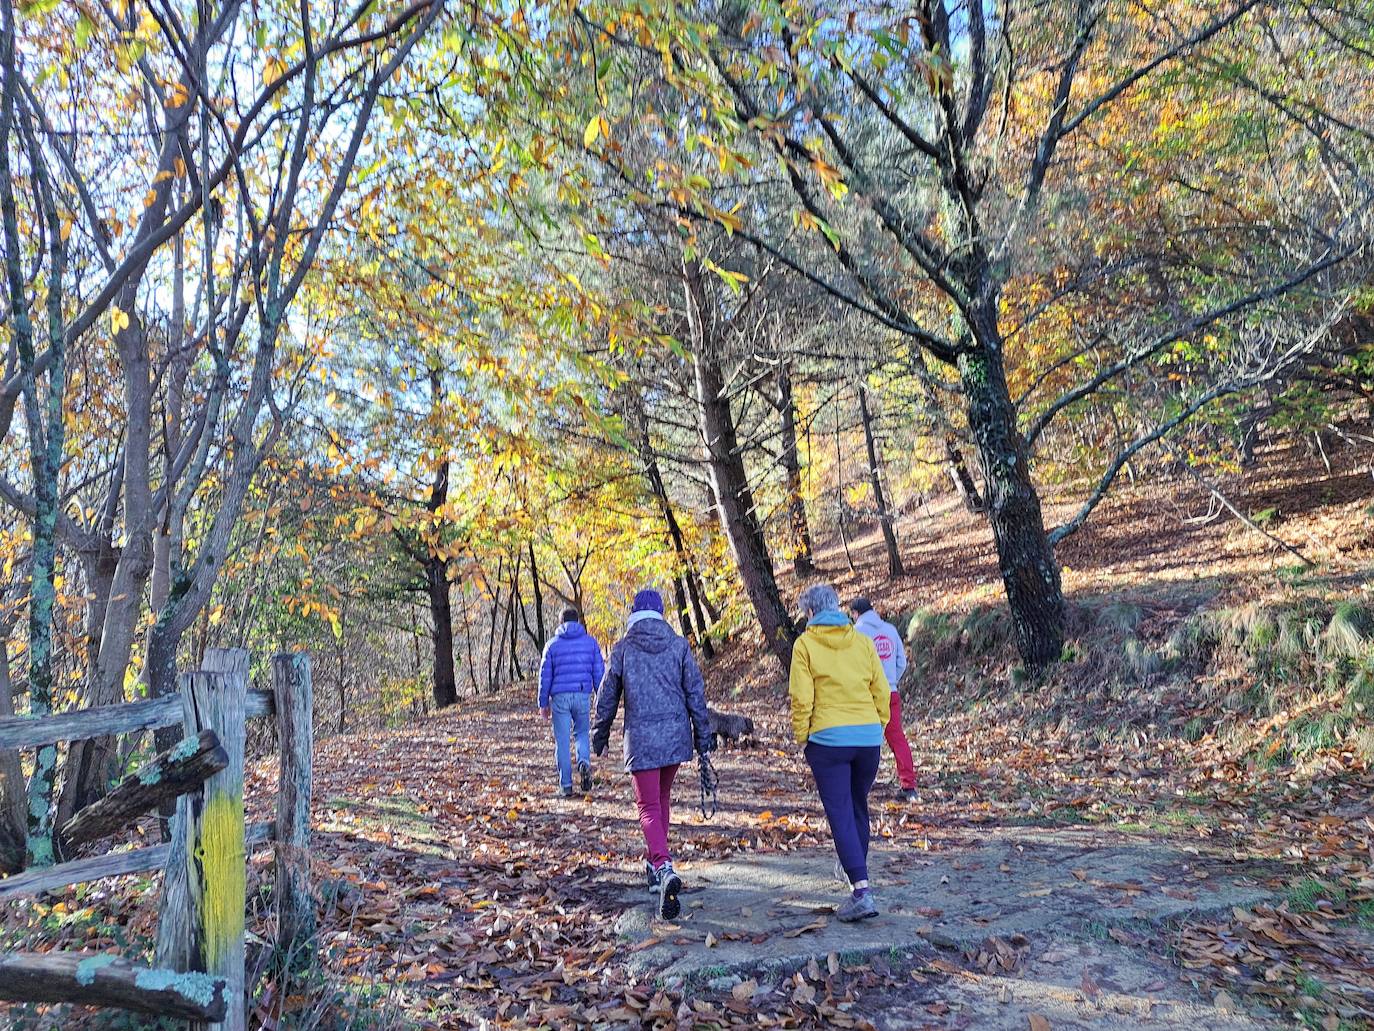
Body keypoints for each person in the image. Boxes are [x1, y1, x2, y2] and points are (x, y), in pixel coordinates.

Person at [592, 588, 712, 921]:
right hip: (674, 739)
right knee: (660, 802)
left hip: (642, 738)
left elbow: (607, 696)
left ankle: (662, 865)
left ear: (633, 614)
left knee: (648, 806)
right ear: (660, 614)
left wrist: (599, 735)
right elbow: (696, 694)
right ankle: (652, 865)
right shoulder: (678, 645)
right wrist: (703, 739)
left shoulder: (624, 648)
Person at [790, 583, 890, 922]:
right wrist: (879, 725)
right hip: (866, 739)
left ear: (811, 613)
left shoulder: (804, 645)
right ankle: (856, 878)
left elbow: (802, 698)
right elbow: (881, 688)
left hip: (828, 740)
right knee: (857, 806)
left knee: (841, 811)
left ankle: (861, 890)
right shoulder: (862, 642)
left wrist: (802, 737)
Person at [850, 597, 918, 801]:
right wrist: (891, 681)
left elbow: (852, 665)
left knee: (861, 739)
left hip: (866, 694)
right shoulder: (890, 630)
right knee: (897, 738)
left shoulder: (856, 633)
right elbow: (902, 662)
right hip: (890, 693)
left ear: (855, 613)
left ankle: (858, 785)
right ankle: (909, 785)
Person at [538, 606, 604, 798]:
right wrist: (601, 698)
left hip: (560, 698)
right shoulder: (591, 643)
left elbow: (545, 676)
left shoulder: (552, 645)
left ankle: (566, 785)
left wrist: (543, 703)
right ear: (578, 622)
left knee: (562, 741)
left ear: (561, 623)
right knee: (582, 732)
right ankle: (583, 761)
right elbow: (599, 673)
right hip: (582, 694)